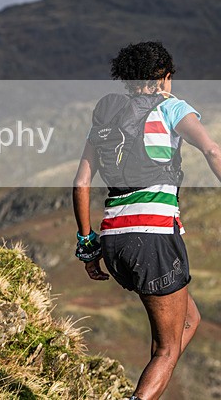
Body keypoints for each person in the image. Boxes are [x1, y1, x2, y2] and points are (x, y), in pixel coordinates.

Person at [73, 42, 221, 399]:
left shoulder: (106, 118)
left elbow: (81, 183)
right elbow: (212, 150)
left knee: (190, 320)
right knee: (166, 351)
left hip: (113, 239)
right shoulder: (173, 108)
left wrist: (87, 246)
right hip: (153, 237)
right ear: (164, 77)